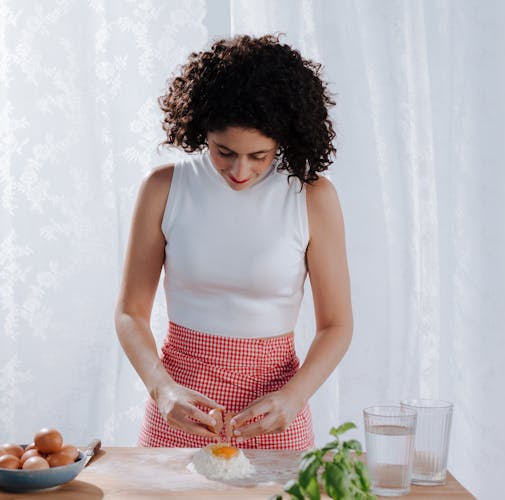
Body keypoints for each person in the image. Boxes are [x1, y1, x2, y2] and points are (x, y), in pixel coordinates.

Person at [115, 34, 352, 450]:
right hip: (180, 410)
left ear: (284, 139)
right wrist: (161, 389)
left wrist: (294, 397)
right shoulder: (164, 188)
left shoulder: (312, 198)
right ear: (200, 127)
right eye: (224, 151)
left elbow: (336, 326)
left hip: (275, 413)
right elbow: (130, 313)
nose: (240, 171)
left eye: (259, 156)